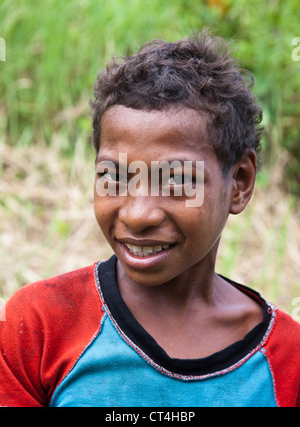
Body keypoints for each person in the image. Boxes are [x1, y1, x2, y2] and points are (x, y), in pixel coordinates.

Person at [0, 30, 299, 407]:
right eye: (115, 177)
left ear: (239, 181)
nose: (138, 214)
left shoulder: (287, 362)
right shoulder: (39, 327)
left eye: (175, 181)